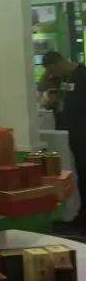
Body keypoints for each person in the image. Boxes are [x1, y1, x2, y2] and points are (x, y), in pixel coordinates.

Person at [41, 51, 86, 221]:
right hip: (67, 134)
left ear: (60, 62)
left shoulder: (82, 75)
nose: (52, 74)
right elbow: (40, 86)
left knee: (84, 173)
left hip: (82, 133)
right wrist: (48, 73)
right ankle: (80, 214)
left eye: (53, 70)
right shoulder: (61, 79)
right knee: (77, 173)